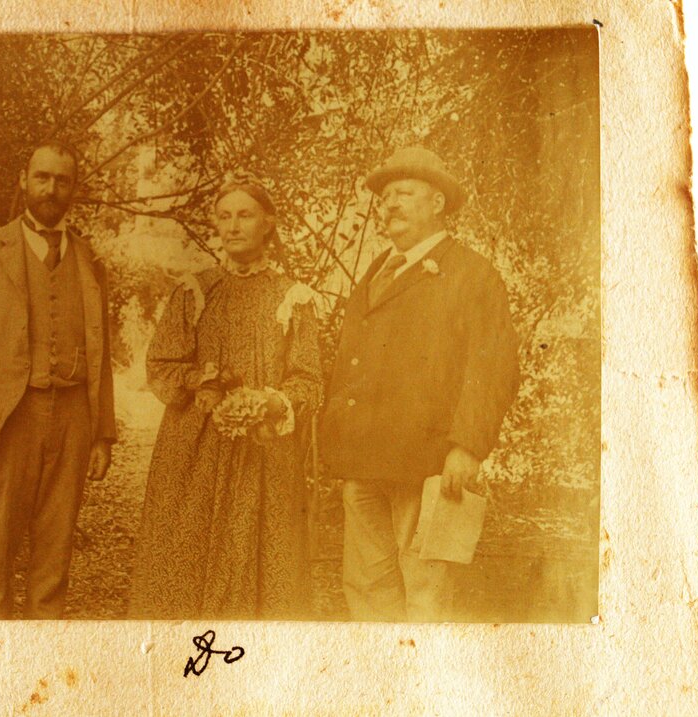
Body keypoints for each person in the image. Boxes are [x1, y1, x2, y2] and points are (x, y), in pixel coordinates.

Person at [320, 147, 520, 622]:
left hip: (425, 462)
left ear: (437, 203)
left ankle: (422, 689)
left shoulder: (473, 273)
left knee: (424, 592)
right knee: (367, 588)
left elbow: (493, 367)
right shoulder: (375, 272)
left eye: (404, 193)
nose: (390, 204)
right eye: (385, 196)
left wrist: (467, 446)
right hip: (364, 460)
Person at [0, 141, 115, 620]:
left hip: (73, 420)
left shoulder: (90, 261)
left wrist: (101, 434)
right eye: (42, 177)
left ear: (74, 188)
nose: (51, 189)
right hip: (8, 420)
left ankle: (41, 672)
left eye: (62, 180)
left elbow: (102, 352)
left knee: (54, 563)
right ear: (24, 180)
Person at [128, 174, 323, 620]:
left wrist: (270, 403)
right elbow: (160, 365)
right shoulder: (195, 291)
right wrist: (202, 381)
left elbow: (308, 379)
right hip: (193, 449)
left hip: (264, 452)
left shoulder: (291, 298)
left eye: (245, 215)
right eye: (225, 216)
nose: (234, 226)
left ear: (267, 223)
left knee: (262, 558)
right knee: (184, 552)